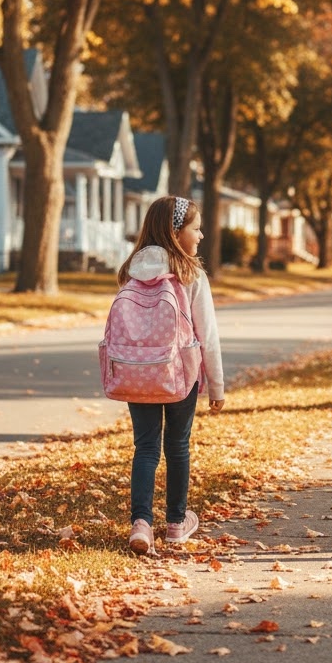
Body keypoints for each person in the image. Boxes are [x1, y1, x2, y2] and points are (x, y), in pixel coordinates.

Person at [117, 195, 225, 555]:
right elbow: (207, 335)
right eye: (196, 228)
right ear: (176, 232)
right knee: (177, 446)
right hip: (181, 373)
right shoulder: (191, 273)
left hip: (138, 372)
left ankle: (142, 524)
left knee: (145, 447)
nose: (202, 235)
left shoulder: (130, 269)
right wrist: (217, 386)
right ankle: (177, 524)